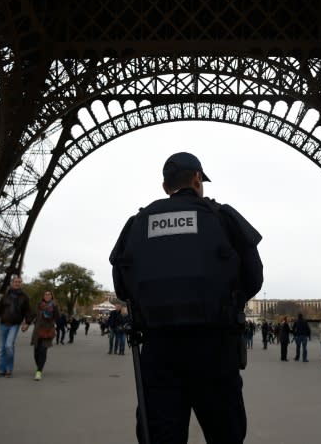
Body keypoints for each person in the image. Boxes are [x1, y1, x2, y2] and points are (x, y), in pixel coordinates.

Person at [110, 151, 263, 443]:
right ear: (197, 179)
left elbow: (122, 287)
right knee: (226, 435)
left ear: (165, 186)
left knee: (160, 435)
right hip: (216, 348)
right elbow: (254, 278)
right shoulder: (223, 218)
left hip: (158, 350)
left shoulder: (137, 223)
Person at [0, 275, 31, 377]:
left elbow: (28, 311)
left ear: (21, 284)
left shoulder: (25, 297)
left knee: (9, 346)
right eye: (15, 282)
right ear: (12, 283)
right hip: (3, 324)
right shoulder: (5, 296)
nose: (17, 283)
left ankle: (9, 369)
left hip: (14, 324)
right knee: (2, 348)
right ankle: (2, 370)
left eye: (19, 282)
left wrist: (27, 323)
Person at [31, 290, 59, 380]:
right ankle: (39, 366)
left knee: (43, 351)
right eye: (45, 294)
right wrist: (26, 323)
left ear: (51, 296)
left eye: (49, 294)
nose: (47, 295)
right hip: (38, 330)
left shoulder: (54, 305)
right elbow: (33, 314)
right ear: (43, 296)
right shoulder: (39, 304)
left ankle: (39, 371)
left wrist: (55, 308)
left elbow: (58, 317)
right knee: (36, 353)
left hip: (48, 330)